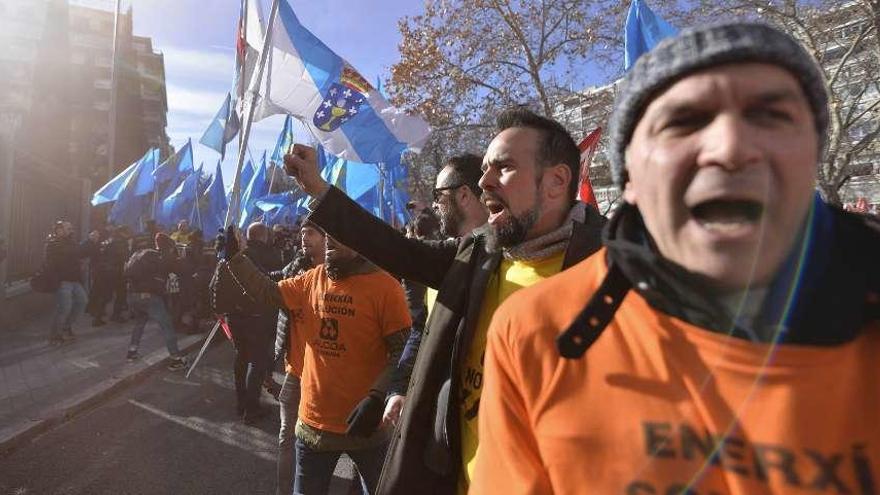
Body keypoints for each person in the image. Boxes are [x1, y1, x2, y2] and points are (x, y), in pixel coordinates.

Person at [471, 23, 880, 495]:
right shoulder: (533, 331)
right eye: (683, 123)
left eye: (772, 116)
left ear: (812, 155)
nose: (730, 148)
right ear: (630, 179)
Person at [283, 107, 608, 494]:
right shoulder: (478, 253)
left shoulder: (619, 276)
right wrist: (318, 189)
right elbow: (397, 251)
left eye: (502, 167)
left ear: (556, 181)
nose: (484, 181)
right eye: (484, 169)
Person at [220, 228, 412, 494]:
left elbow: (402, 351)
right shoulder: (311, 279)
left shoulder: (386, 287)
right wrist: (236, 258)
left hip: (369, 428)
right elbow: (266, 291)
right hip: (314, 428)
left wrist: (378, 396)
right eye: (328, 234)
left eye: (337, 234)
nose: (331, 239)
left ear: (358, 241)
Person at [273, 221, 326, 495]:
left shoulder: (344, 274)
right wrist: (237, 262)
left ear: (327, 237)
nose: (304, 238)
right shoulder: (295, 268)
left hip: (329, 374)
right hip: (295, 372)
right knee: (287, 438)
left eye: (311, 233)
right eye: (302, 233)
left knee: (338, 443)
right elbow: (269, 284)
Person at [229, 222, 284, 424]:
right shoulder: (266, 254)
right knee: (258, 360)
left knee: (242, 357)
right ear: (263, 236)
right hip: (258, 316)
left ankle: (241, 402)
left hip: (236, 317)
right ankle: (251, 409)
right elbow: (274, 281)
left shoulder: (230, 258)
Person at [124, 233, 189, 371]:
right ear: (169, 246)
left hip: (132, 296)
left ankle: (132, 352)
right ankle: (176, 359)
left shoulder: (144, 254)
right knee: (167, 326)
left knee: (140, 322)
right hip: (150, 297)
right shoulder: (166, 257)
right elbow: (183, 271)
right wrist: (180, 258)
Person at [45, 221, 95, 345]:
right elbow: (61, 257)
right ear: (58, 230)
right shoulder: (53, 244)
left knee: (82, 302)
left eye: (71, 228)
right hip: (62, 280)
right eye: (67, 228)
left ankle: (66, 327)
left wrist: (91, 243)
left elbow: (80, 253)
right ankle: (55, 335)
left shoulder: (71, 242)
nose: (70, 230)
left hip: (74, 279)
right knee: (64, 308)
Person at [432, 154, 488, 239]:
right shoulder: (455, 248)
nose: (434, 205)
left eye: (438, 194)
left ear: (463, 196)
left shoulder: (501, 249)